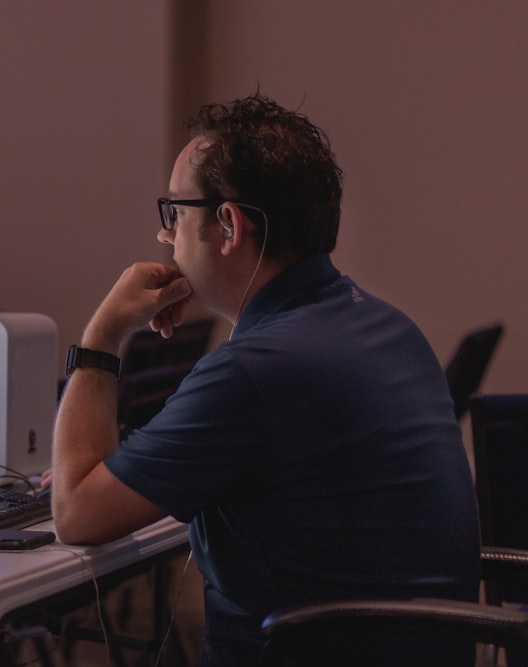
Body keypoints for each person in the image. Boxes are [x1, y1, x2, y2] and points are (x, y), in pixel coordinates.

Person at [49, 93, 481, 666]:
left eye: (175, 213)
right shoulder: (385, 325)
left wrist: (102, 334)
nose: (164, 237)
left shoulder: (258, 369)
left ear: (228, 225)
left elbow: (75, 513)